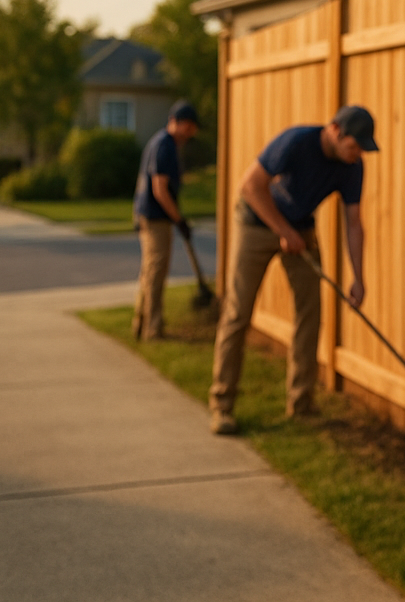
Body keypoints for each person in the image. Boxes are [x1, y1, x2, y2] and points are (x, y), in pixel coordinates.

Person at [208, 104, 378, 435]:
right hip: (256, 221)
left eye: (362, 149)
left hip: (300, 228)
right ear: (335, 130)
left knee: (309, 314)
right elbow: (250, 186)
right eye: (354, 145)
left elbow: (354, 223)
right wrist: (283, 231)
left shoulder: (352, 167)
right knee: (238, 313)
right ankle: (222, 405)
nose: (357, 154)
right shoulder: (295, 142)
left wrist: (358, 278)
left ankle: (301, 403)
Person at [130, 99, 199, 340]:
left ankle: (141, 323)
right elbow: (160, 189)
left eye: (192, 128)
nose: (190, 132)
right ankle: (153, 328)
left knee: (149, 271)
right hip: (155, 218)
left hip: (151, 215)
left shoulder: (161, 142)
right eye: (187, 126)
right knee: (155, 273)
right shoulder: (165, 145)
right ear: (174, 122)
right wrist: (179, 219)